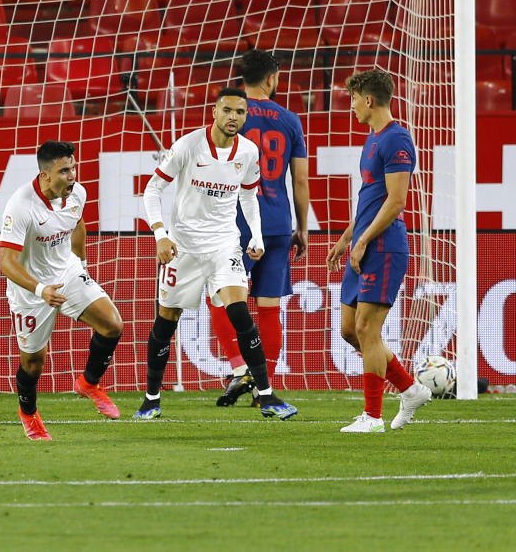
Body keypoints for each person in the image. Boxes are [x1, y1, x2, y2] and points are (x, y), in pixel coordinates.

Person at [139, 88, 298, 420]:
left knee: (239, 311)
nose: (233, 117)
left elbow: (249, 197)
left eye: (240, 112)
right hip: (183, 247)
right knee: (166, 323)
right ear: (214, 111)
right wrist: (159, 234)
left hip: (225, 243)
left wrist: (255, 234)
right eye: (227, 110)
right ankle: (151, 398)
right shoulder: (188, 146)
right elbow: (153, 189)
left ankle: (266, 396)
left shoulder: (249, 152)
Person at [0, 140, 126, 441]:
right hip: (30, 288)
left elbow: (77, 224)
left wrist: (80, 264)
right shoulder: (21, 206)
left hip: (67, 273)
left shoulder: (76, 193)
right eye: (64, 170)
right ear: (45, 175)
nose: (72, 176)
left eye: (73, 168)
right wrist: (41, 289)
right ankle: (28, 414)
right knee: (33, 363)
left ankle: (89, 383)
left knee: (112, 325)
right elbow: (6, 262)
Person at [326, 70, 432, 433]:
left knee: (367, 329)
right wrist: (347, 236)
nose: (352, 105)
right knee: (348, 330)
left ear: (368, 100)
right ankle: (410, 388)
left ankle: (372, 417)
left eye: (354, 99)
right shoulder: (372, 138)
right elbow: (370, 199)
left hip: (384, 247)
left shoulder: (397, 139)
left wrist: (364, 240)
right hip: (364, 241)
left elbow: (396, 202)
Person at [211, 50, 310, 407]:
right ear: (272, 78)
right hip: (279, 223)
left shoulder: (231, 115)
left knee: (220, 298)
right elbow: (299, 179)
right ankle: (261, 386)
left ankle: (240, 368)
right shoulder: (290, 120)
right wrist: (302, 226)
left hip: (234, 222)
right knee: (269, 306)